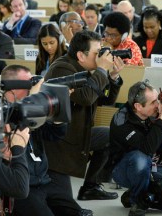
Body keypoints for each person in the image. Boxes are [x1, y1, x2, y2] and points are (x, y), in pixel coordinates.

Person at [0, 65, 111, 216]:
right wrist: (34, 99)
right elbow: (14, 124)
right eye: (28, 85)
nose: (33, 88)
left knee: (78, 215)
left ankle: (44, 209)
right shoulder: (0, 112)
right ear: (11, 88)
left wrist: (59, 105)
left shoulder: (33, 108)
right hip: (21, 184)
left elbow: (55, 134)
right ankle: (13, 215)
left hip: (43, 179)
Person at [43, 30, 124, 200]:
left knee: (112, 136)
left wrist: (113, 76)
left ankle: (91, 187)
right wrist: (102, 70)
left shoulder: (86, 69)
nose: (101, 57)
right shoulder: (62, 69)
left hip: (79, 134)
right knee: (63, 206)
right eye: (97, 53)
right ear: (81, 55)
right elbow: (86, 98)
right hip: (60, 143)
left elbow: (105, 100)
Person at [110, 80, 162, 216]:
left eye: (158, 99)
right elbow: (147, 148)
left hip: (157, 167)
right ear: (138, 106)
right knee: (140, 158)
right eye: (153, 102)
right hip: (126, 169)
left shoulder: (154, 113)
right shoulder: (121, 121)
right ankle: (137, 202)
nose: (158, 105)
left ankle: (144, 195)